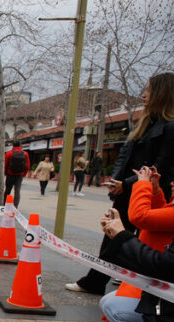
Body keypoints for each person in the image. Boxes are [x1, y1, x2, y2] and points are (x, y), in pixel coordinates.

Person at [66, 72, 174, 294]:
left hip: (150, 190)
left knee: (139, 235)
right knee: (113, 234)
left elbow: (159, 165)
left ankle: (103, 280)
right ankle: (99, 279)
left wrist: (127, 183)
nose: (143, 95)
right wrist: (117, 181)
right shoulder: (145, 122)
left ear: (161, 94)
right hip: (130, 189)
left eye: (148, 91)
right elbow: (125, 154)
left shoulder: (169, 128)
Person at [99, 166, 174, 322]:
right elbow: (163, 215)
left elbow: (142, 217)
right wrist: (154, 191)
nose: (172, 183)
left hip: (166, 303)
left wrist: (141, 184)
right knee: (113, 304)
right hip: (167, 308)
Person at [3, 141, 30, 207]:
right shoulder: (25, 154)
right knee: (17, 191)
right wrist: (24, 174)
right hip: (20, 175)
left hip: (10, 174)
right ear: (20, 145)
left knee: (7, 190)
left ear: (13, 145)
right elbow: (27, 166)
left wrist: (6, 173)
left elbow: (5, 165)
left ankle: (4, 204)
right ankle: (15, 206)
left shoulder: (9, 153)